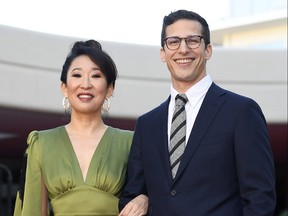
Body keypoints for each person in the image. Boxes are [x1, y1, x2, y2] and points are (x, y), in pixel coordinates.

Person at [119, 9, 276, 216]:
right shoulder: (147, 124)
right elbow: (132, 195)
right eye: (173, 41)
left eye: (193, 40)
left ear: (208, 50)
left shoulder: (241, 112)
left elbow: (260, 198)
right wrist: (143, 198)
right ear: (163, 53)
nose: (183, 49)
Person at [14, 39, 147, 216]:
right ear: (64, 87)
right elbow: (33, 211)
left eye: (96, 76)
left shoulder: (131, 142)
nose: (85, 84)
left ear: (109, 88)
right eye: (77, 75)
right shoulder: (41, 143)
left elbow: (163, 194)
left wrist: (145, 198)